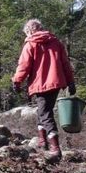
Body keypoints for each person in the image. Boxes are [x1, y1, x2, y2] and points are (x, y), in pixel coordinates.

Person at [12, 19, 76, 161]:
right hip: (56, 83)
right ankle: (42, 142)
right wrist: (71, 82)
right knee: (43, 111)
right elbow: (65, 64)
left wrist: (17, 81)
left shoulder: (30, 44)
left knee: (45, 114)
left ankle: (55, 148)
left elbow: (23, 65)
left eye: (27, 32)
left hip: (41, 84)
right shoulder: (56, 42)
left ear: (30, 31)